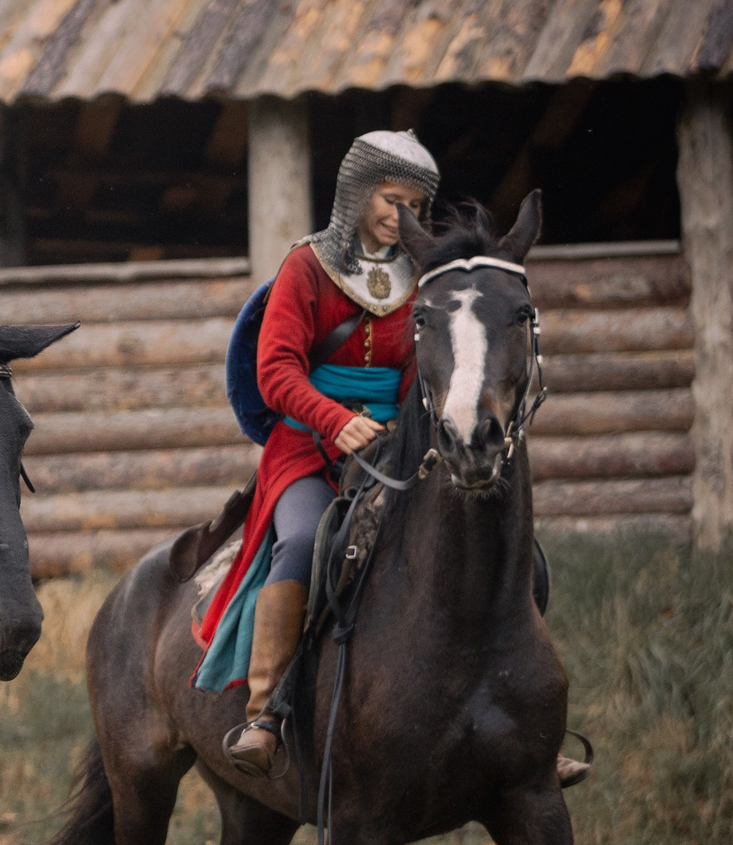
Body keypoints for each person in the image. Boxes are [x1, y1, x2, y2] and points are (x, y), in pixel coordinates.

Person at [204, 132, 585, 787]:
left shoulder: (425, 276)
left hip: (401, 444)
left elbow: (430, 369)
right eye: (388, 195)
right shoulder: (306, 268)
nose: (396, 210)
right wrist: (334, 420)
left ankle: (527, 729)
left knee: (503, 549)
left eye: (410, 200)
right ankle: (265, 714)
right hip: (307, 445)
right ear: (357, 192)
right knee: (302, 543)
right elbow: (275, 369)